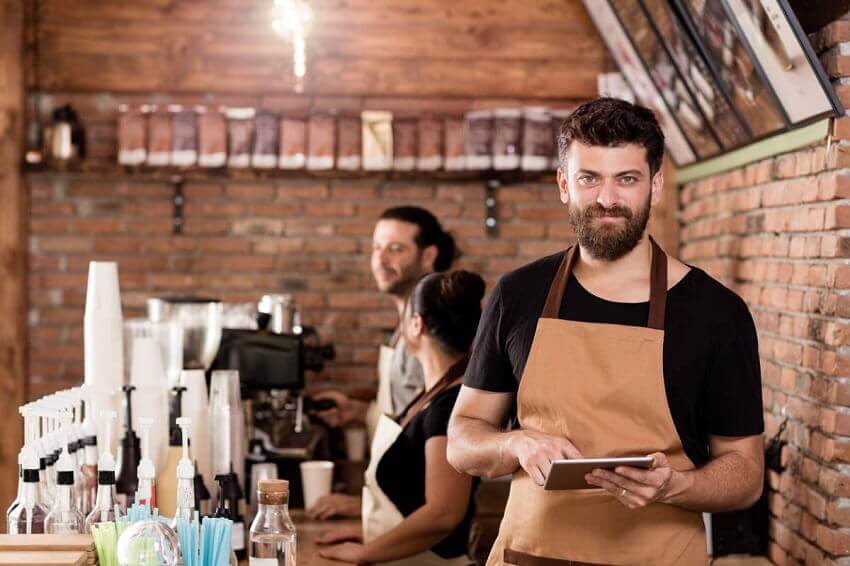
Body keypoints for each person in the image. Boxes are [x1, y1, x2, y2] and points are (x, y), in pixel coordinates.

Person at [446, 97, 764, 565]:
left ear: (655, 187)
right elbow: (461, 439)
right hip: (530, 556)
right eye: (589, 178)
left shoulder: (717, 313)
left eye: (627, 179)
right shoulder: (518, 295)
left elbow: (746, 472)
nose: (608, 199)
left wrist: (678, 485)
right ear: (563, 184)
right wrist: (515, 442)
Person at [318, 271, 485, 565]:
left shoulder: (447, 408)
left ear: (416, 325)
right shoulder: (429, 397)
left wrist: (366, 552)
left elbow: (443, 513)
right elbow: (413, 499)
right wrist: (371, 534)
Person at [307, 206, 458, 520]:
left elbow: (433, 438)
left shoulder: (431, 333)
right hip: (393, 514)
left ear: (429, 255)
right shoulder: (404, 327)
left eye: (395, 249)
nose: (380, 258)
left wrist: (363, 507)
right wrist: (358, 411)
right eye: (376, 247)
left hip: (413, 518)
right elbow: (406, 412)